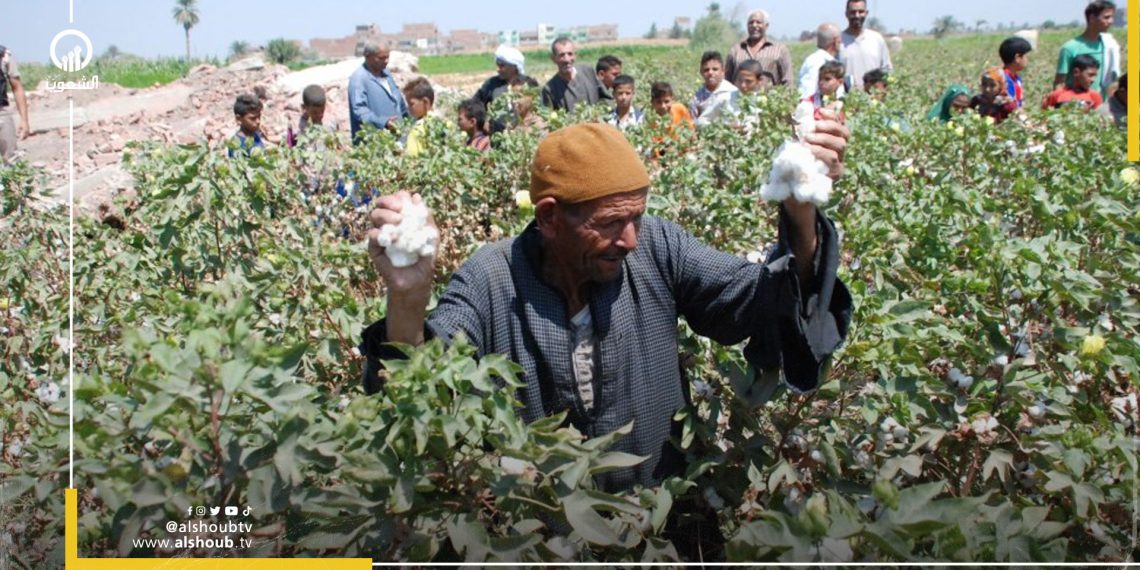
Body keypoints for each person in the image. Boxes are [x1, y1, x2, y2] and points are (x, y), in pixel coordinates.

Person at [360, 120, 852, 499]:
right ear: (550, 217)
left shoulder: (658, 247)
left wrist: (799, 209)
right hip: (541, 539)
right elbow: (422, 387)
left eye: (637, 216)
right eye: (613, 223)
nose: (631, 239)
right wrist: (407, 298)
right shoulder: (490, 278)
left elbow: (756, 297)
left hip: (660, 522)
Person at [1054, 0, 1118, 100]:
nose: (1111, 21)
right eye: (1106, 17)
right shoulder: (1070, 48)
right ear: (1092, 18)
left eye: (1112, 17)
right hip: (1075, 105)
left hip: (1100, 104)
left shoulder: (1109, 46)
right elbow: (1060, 83)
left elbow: (1112, 81)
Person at [348, 43, 409, 144]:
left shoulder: (386, 74)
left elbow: (399, 101)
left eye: (387, 57)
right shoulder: (359, 79)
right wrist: (383, 122)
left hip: (398, 138)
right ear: (367, 56)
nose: (386, 61)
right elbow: (359, 111)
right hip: (376, 143)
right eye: (381, 58)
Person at [541, 37, 611, 113]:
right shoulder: (550, 89)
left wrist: (600, 113)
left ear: (575, 55)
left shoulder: (588, 72)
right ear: (553, 59)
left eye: (570, 54)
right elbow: (549, 118)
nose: (567, 59)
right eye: (561, 55)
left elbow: (607, 98)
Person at [725, 9, 792, 86]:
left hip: (769, 97)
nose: (754, 25)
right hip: (740, 97)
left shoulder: (780, 50)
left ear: (766, 26)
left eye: (758, 22)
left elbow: (788, 80)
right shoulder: (736, 50)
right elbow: (727, 80)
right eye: (751, 22)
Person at [475, 45, 531, 134]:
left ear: (514, 66)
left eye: (502, 65)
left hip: (524, 135)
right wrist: (483, 121)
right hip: (497, 135)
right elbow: (475, 104)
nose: (498, 69)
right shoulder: (491, 84)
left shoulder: (529, 84)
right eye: (497, 64)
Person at [839, 0, 892, 89]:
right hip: (847, 99)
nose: (857, 15)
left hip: (874, 98)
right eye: (853, 12)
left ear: (866, 13)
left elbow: (887, 70)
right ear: (846, 14)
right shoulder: (837, 41)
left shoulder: (876, 39)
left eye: (861, 11)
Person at [690, 51, 740, 129]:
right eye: (706, 70)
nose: (710, 73)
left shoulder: (732, 92)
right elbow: (693, 123)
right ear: (701, 72)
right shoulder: (697, 97)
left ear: (723, 71)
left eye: (715, 69)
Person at [0, 45, 30, 163]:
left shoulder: (3, 56)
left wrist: (24, 120)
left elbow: (17, 87)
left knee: (11, 161)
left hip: (1, 114)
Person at [799, 23, 843, 98]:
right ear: (836, 41)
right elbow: (808, 94)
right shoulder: (816, 62)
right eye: (840, 41)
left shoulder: (823, 60)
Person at [402, 77, 439, 157]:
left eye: (411, 104)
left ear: (425, 102)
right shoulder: (414, 122)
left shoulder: (433, 125)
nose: (408, 108)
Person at [998, 36, 1032, 112]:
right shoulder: (1005, 80)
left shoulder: (1016, 78)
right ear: (1017, 58)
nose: (1027, 60)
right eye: (1026, 56)